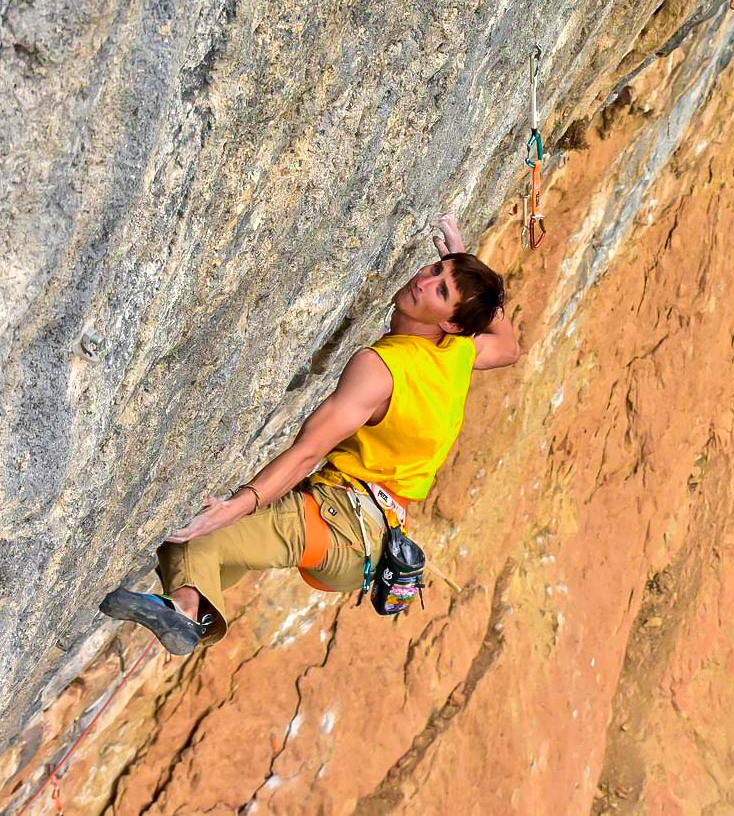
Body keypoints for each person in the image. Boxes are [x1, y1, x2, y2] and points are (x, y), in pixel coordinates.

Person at [100, 215, 521, 653]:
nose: (423, 280)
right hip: (371, 535)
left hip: (341, 523)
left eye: (441, 290)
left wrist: (238, 504)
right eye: (434, 270)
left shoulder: (380, 370)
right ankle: (191, 607)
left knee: (197, 531)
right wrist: (461, 260)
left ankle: (185, 612)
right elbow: (508, 346)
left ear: (452, 322)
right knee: (204, 559)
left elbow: (308, 451)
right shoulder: (459, 351)